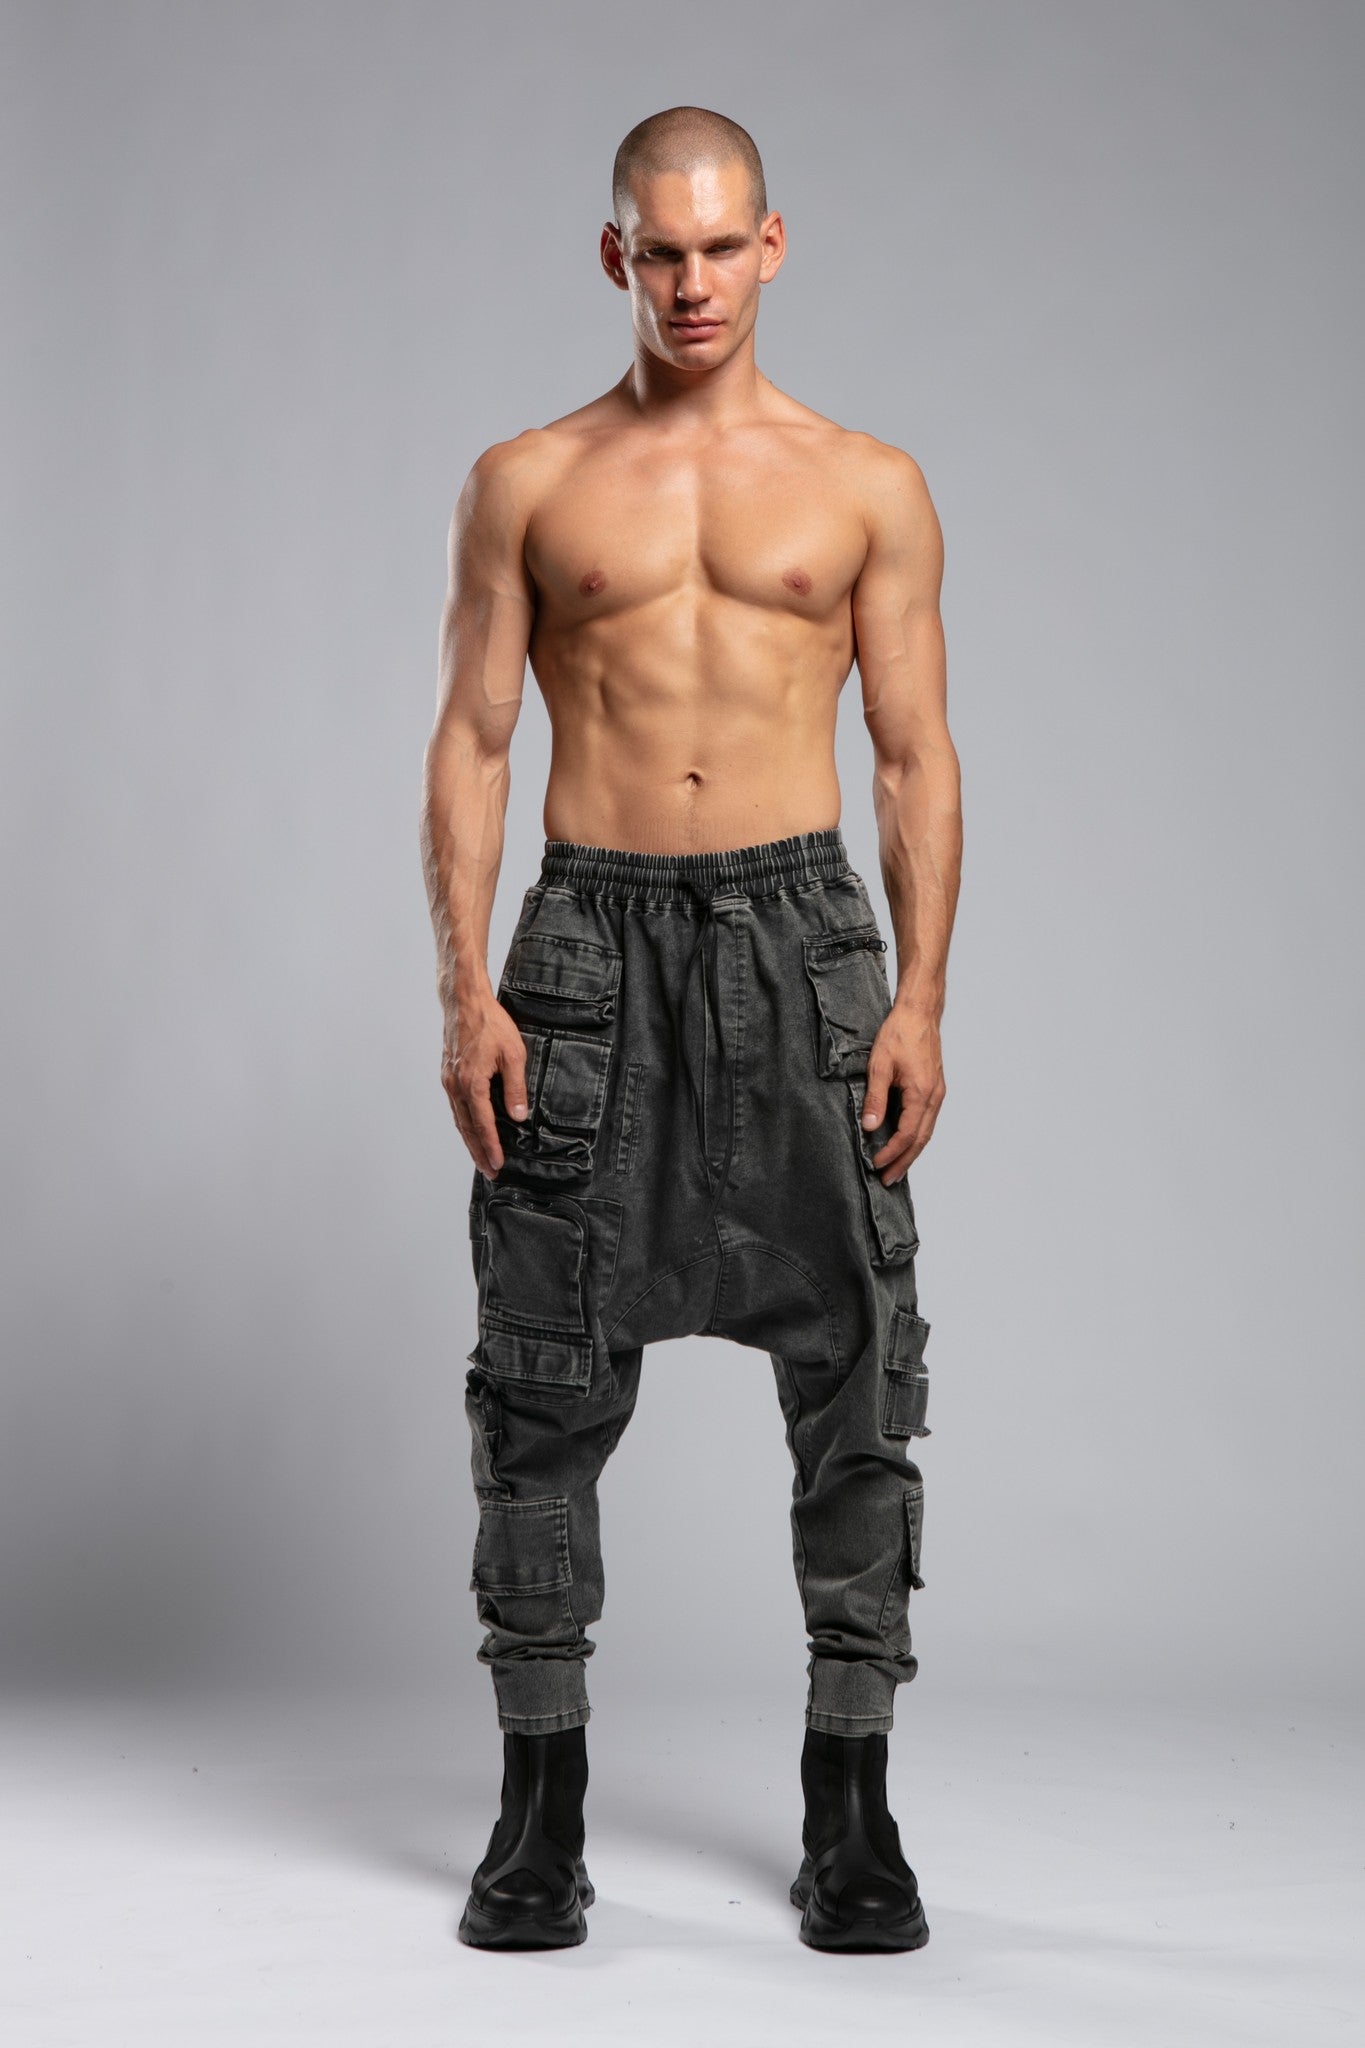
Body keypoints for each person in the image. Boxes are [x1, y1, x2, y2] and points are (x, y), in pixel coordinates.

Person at [420, 104, 962, 1955]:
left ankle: (849, 1805)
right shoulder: (528, 480)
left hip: (801, 937)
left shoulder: (866, 484)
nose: (693, 282)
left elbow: (912, 755)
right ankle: (540, 1806)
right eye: (660, 251)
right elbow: (473, 739)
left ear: (772, 246)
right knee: (540, 1380)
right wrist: (466, 990)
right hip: (589, 941)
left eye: (722, 246)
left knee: (859, 1380)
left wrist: (919, 995)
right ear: (616, 258)